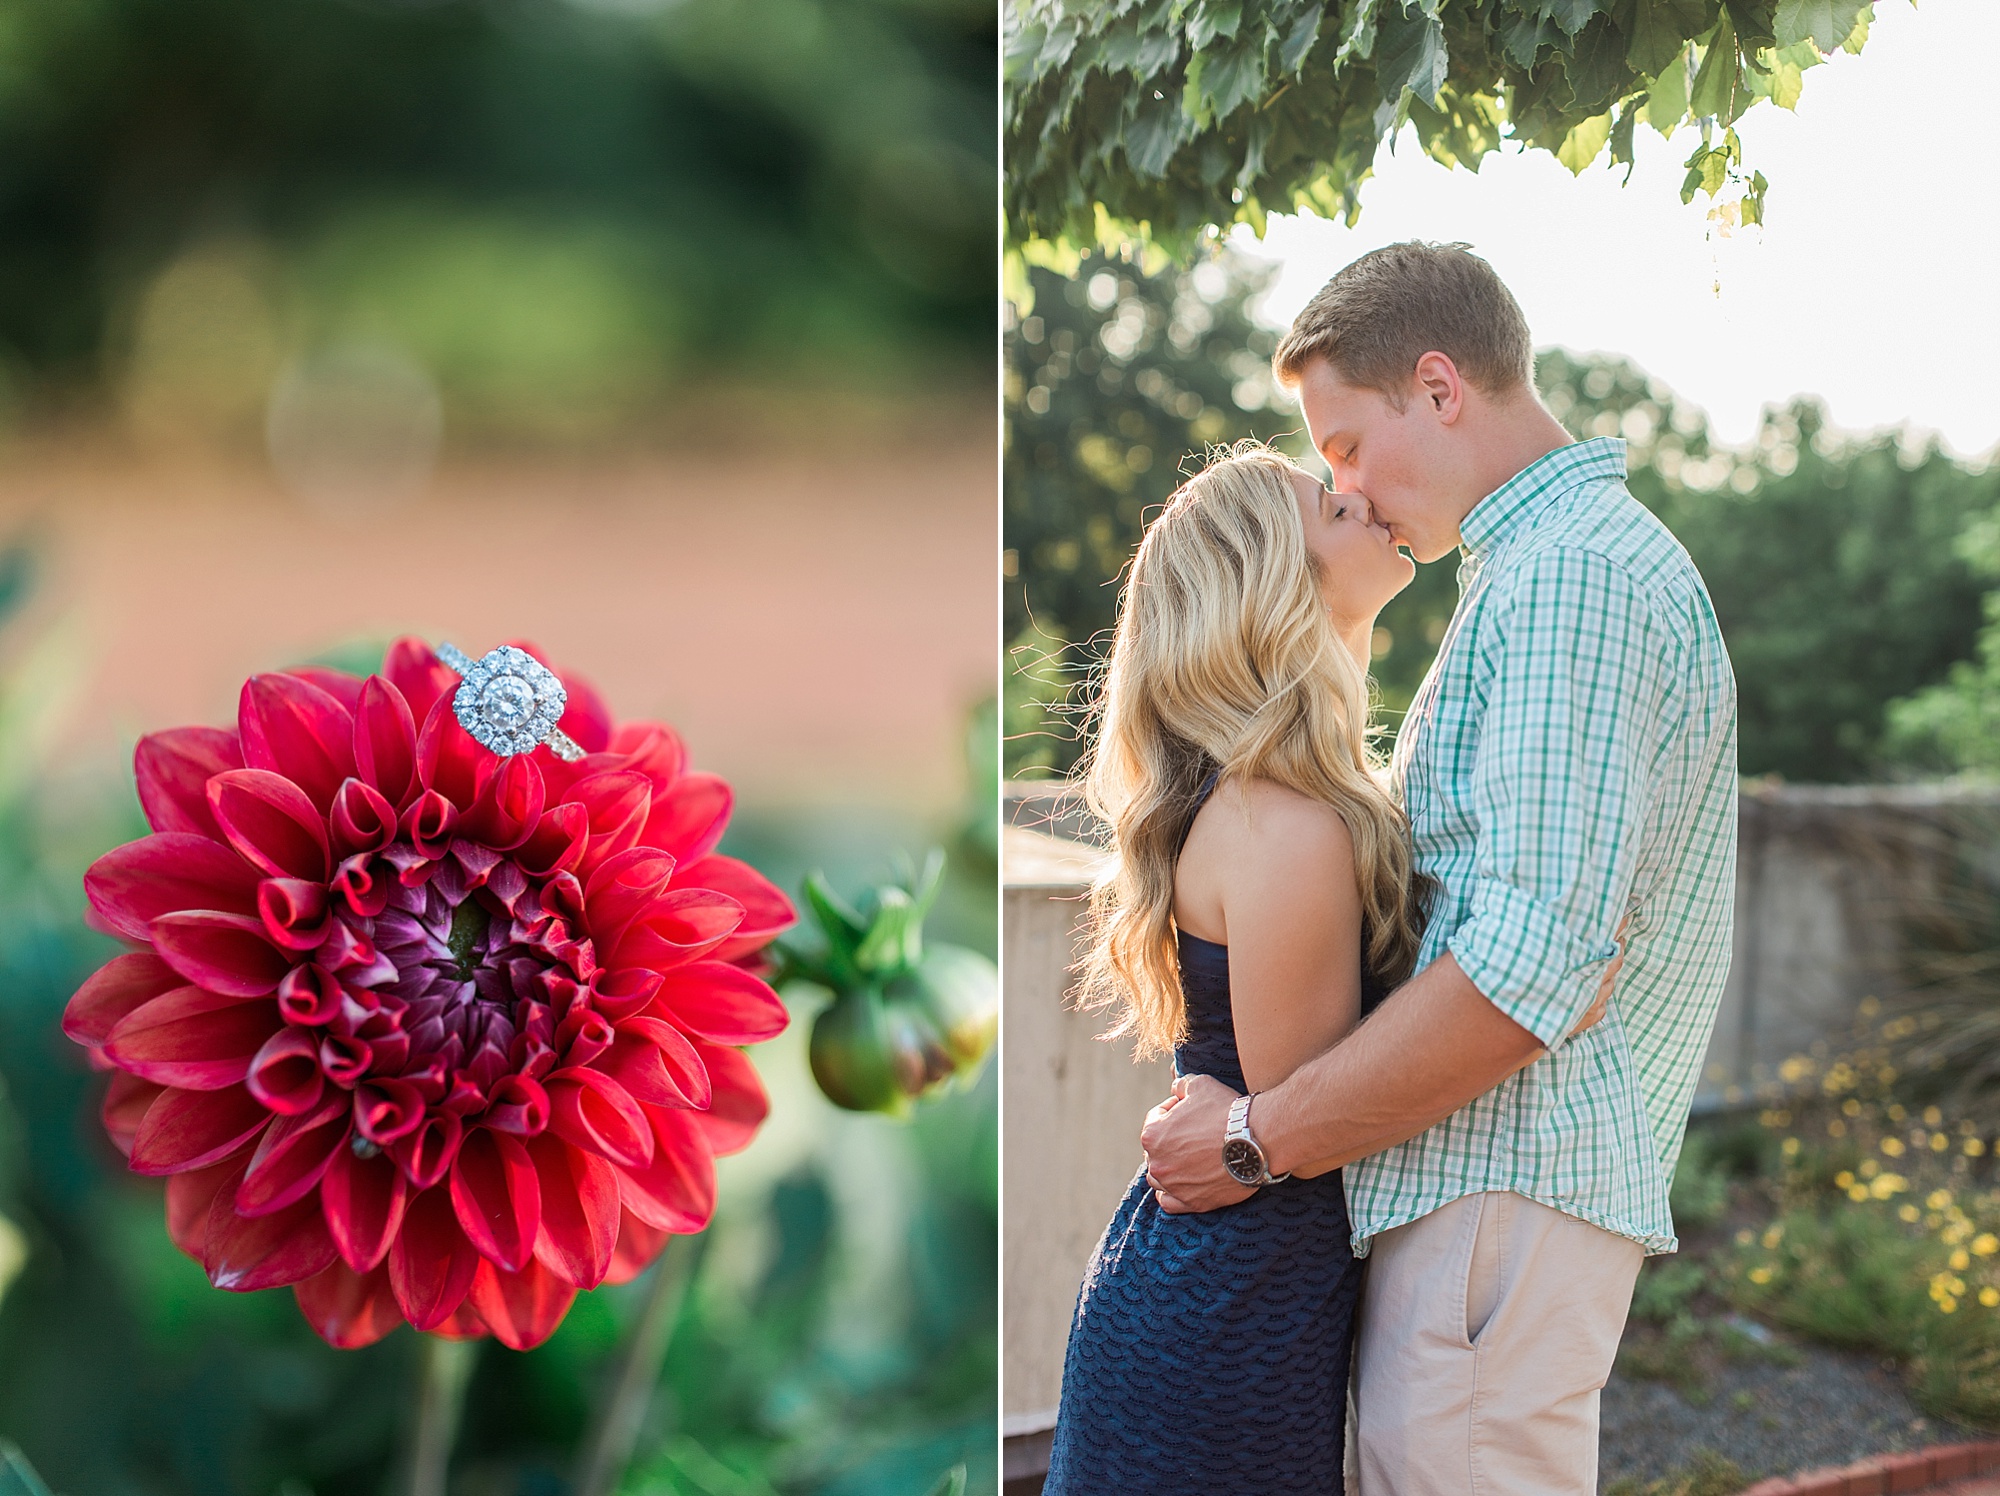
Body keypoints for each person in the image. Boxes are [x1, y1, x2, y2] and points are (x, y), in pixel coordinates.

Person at [1140, 241, 1739, 1494]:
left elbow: (1529, 968)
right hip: (1484, 1197)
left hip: (1499, 1189)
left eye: (1346, 443)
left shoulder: (1568, 580)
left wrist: (1250, 1138)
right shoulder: (1536, 574)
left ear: (1436, 384)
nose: (1340, 482)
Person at [1040, 442, 1613, 1493]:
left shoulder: (1285, 796)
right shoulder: (1285, 820)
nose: (1358, 496)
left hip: (1232, 1284)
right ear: (1274, 575)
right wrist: (1535, 992)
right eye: (1325, 500)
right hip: (1226, 1311)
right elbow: (1313, 1104)